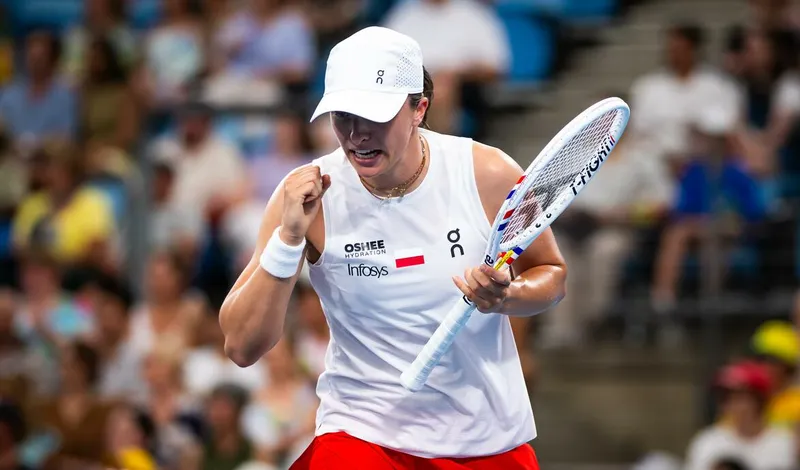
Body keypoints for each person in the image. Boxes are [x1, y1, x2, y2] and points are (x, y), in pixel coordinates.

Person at [220, 26, 567, 469]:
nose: (357, 134)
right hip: (361, 437)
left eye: (374, 116)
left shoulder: (487, 173)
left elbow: (551, 274)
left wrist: (506, 297)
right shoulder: (306, 196)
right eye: (343, 116)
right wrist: (288, 240)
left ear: (419, 108)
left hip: (485, 440)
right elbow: (241, 346)